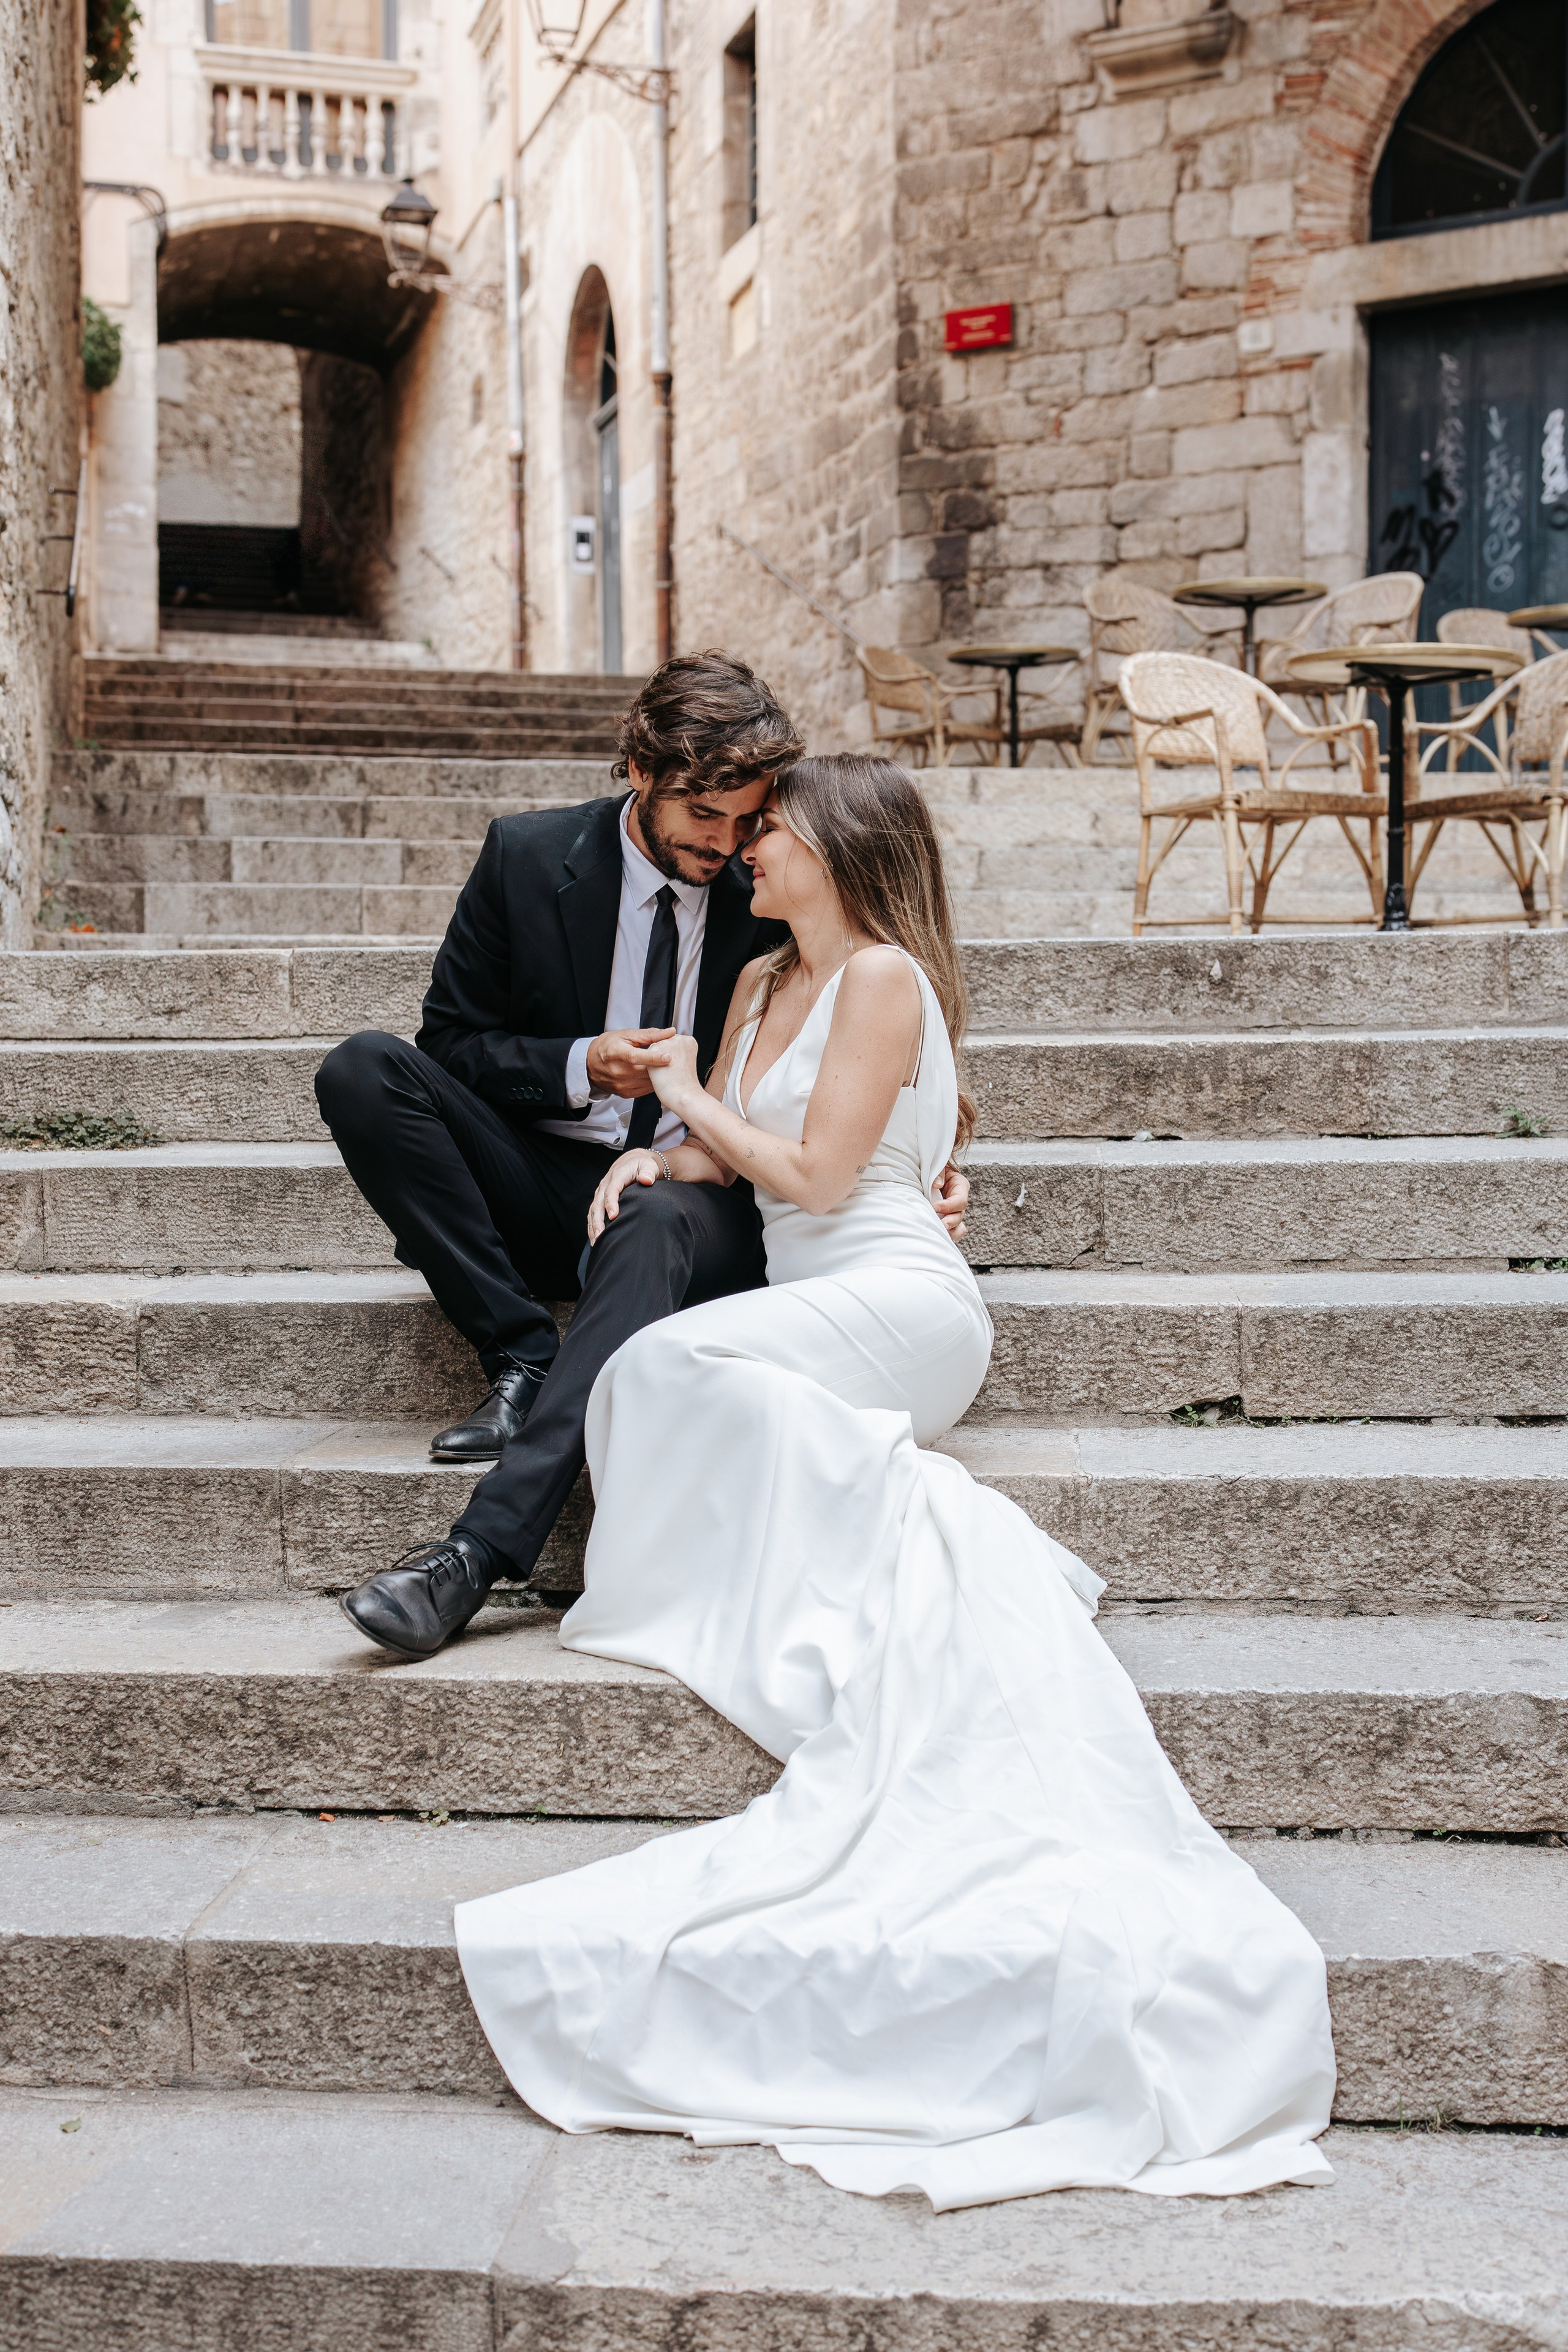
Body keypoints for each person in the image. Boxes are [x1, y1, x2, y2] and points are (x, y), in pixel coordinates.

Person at [454, 753, 1336, 2212]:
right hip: (805, 1291)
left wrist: (684, 1102)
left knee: (669, 1379)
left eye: (776, 837)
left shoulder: (880, 980)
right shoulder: (751, 987)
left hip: (896, 1298)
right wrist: (659, 1162)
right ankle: (836, 1552)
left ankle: (876, 1548)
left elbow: (815, 1176)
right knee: (654, 1376)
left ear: (841, 852)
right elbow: (737, 1164)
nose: (749, 855)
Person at [315, 654, 973, 1659]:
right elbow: (449, 1043)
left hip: (706, 1213)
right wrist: (582, 1064)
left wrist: (921, 1166)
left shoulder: (776, 934)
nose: (731, 844)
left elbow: (857, 1089)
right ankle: (524, 1355)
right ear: (638, 772)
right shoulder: (530, 859)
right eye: (705, 819)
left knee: (655, 1212)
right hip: (555, 1177)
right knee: (364, 1070)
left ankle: (478, 1553)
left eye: (753, 822)